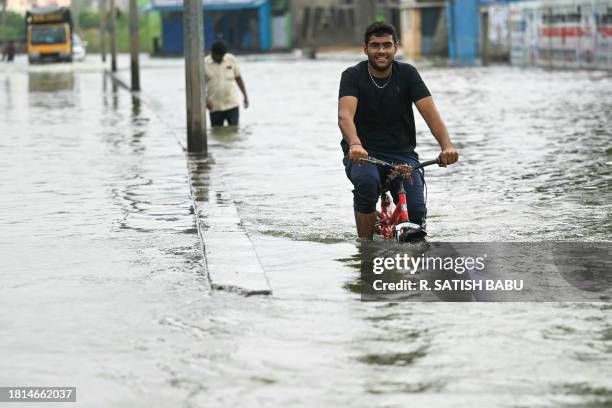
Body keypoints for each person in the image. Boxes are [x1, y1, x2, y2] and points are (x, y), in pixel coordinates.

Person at [338, 22, 459, 240]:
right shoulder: (352, 76)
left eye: (387, 45)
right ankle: (366, 252)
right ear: (365, 48)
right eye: (375, 46)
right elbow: (344, 116)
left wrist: (446, 146)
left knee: (416, 209)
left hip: (401, 154)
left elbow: (431, 115)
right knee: (366, 186)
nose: (381, 51)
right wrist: (355, 143)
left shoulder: (408, 74)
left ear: (396, 47)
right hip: (364, 154)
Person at [204, 40, 249, 127]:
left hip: (232, 104)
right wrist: (205, 100)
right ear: (212, 53)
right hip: (214, 106)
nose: (221, 57)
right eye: (219, 55)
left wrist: (245, 96)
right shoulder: (204, 63)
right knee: (216, 132)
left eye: (222, 55)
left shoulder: (231, 59)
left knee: (234, 131)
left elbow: (238, 78)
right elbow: (200, 86)